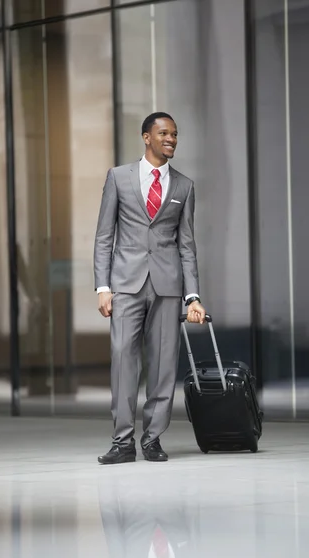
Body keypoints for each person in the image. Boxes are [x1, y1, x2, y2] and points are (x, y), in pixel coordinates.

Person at [94, 112, 206, 465]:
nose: (170, 138)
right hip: (125, 285)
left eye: (174, 134)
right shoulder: (118, 177)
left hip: (168, 287)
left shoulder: (184, 186)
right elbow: (103, 236)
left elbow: (187, 245)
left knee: (162, 367)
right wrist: (103, 286)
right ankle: (122, 441)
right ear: (147, 137)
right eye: (163, 133)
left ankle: (153, 438)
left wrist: (193, 296)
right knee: (123, 361)